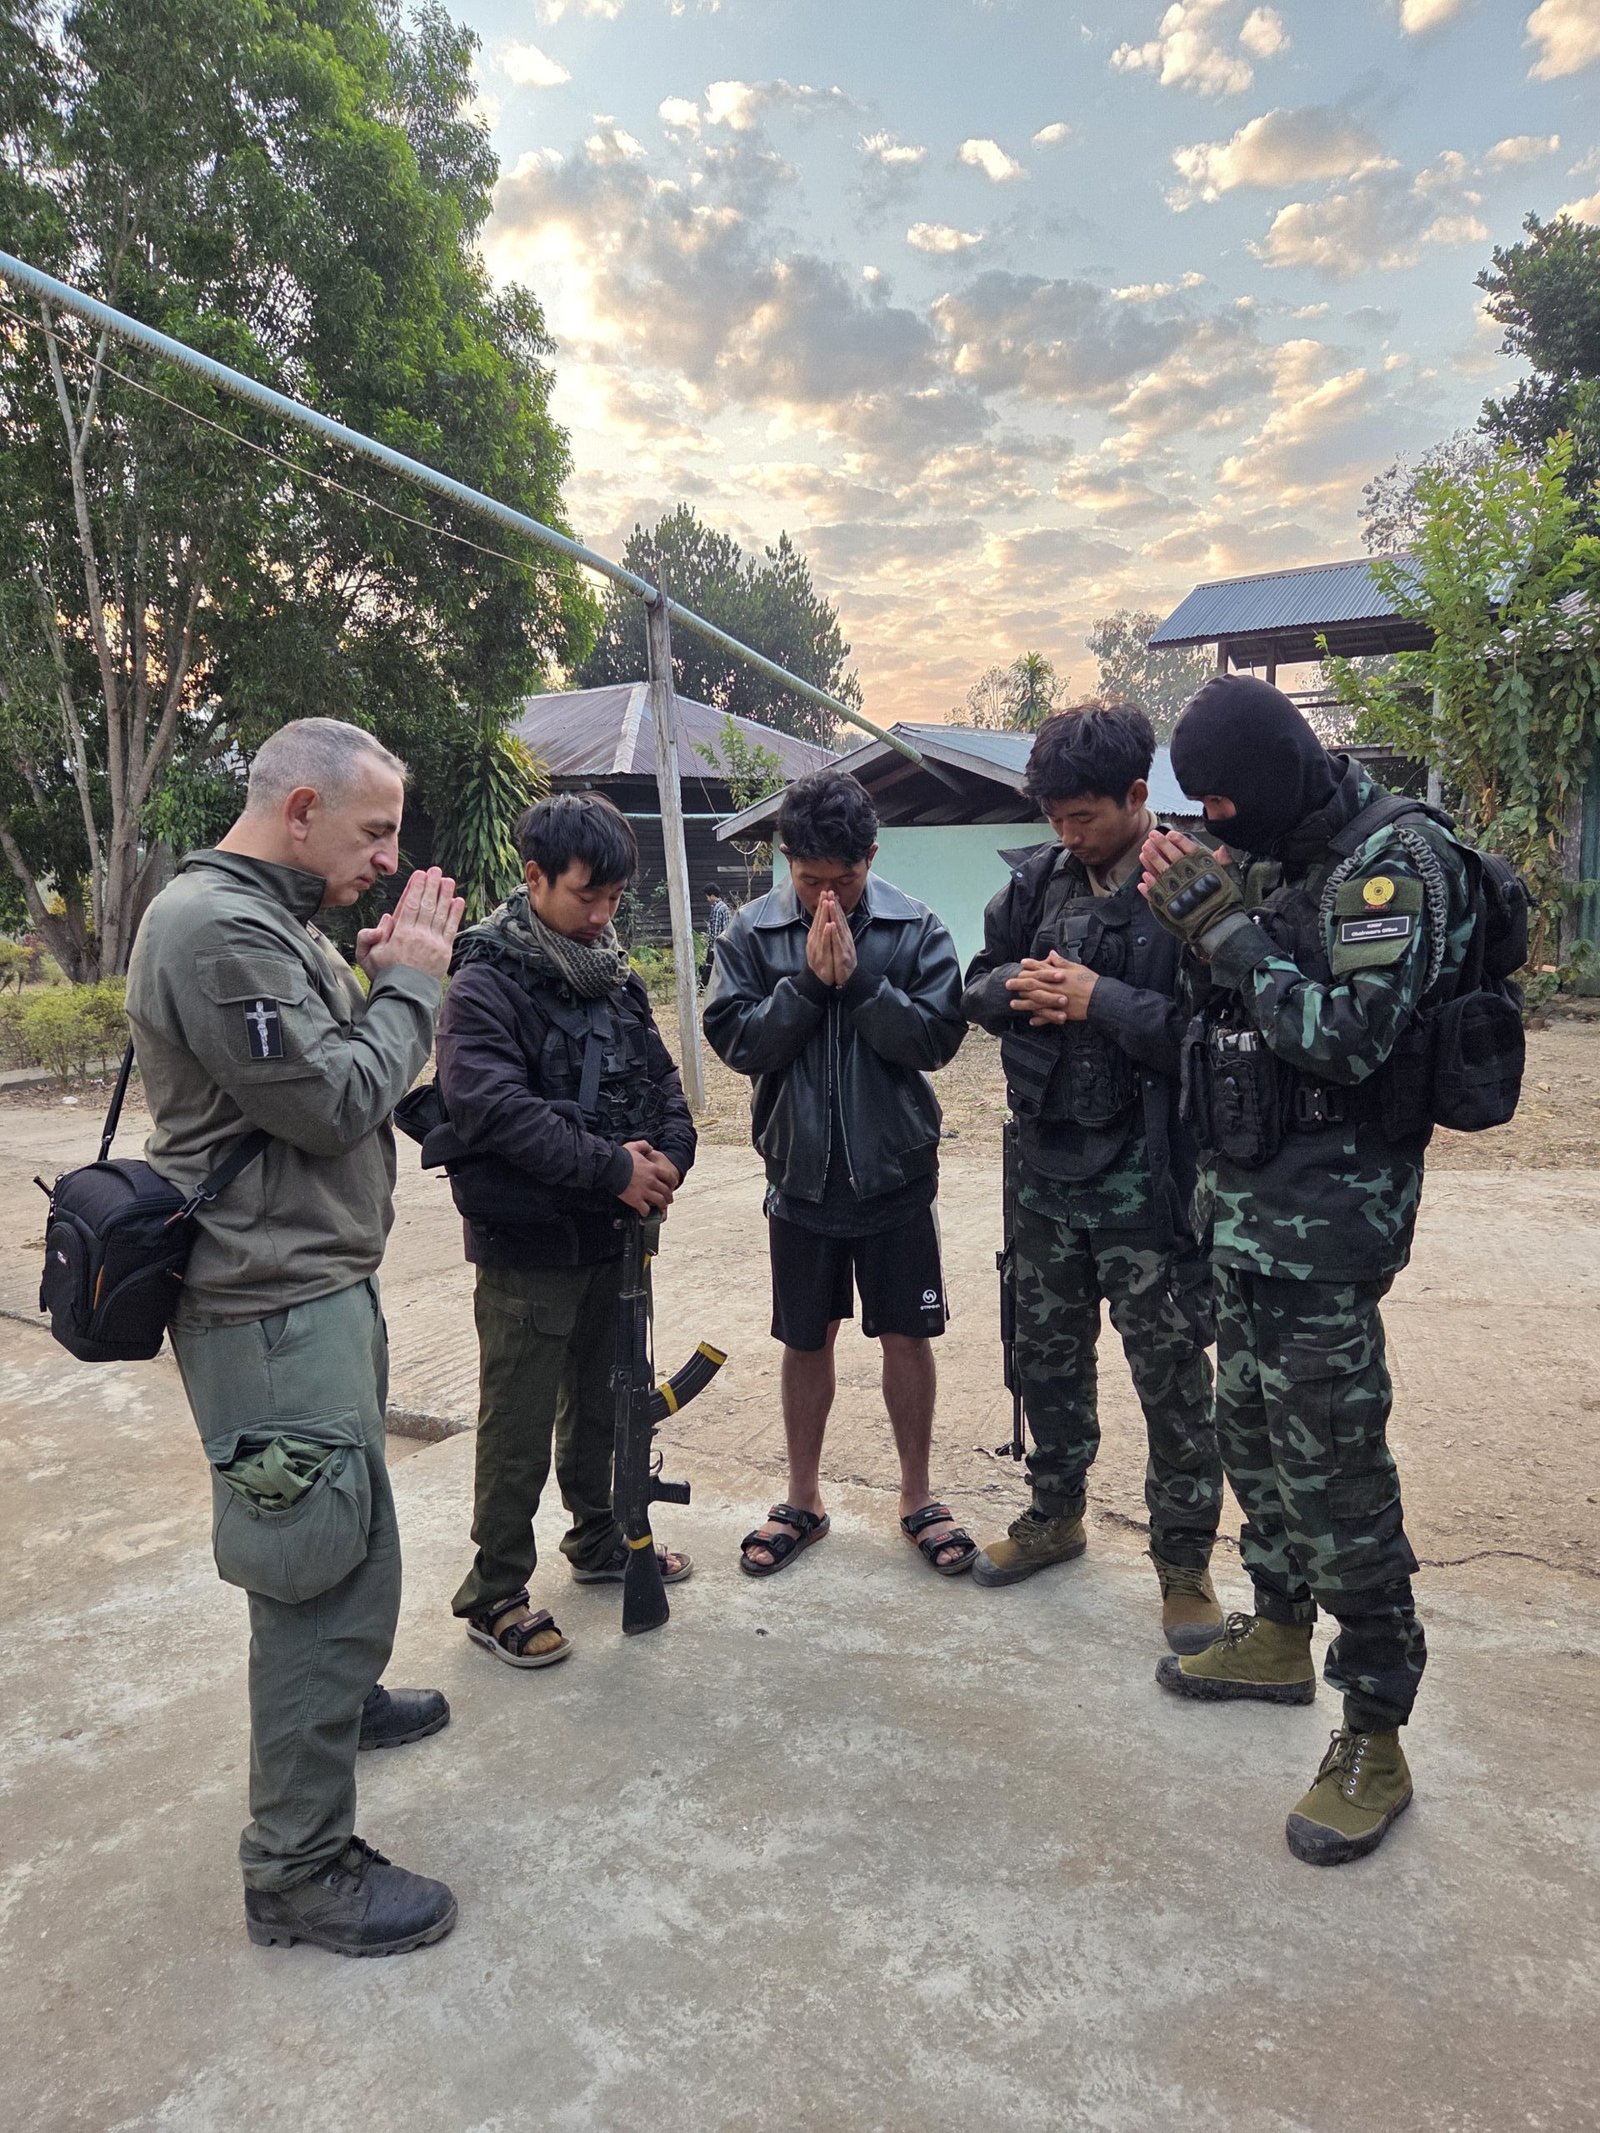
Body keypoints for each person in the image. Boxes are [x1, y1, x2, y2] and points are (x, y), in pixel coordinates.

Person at [124, 717, 465, 1957]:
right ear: (304, 808)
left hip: (310, 1288)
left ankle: (342, 1699)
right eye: (374, 831)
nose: (386, 856)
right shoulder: (217, 930)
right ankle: (298, 1868)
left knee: (344, 1526)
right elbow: (330, 1101)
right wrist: (413, 985)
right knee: (317, 1570)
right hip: (268, 1306)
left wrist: (376, 979)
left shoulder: (268, 919)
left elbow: (323, 1065)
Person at [1140, 673, 1476, 1867]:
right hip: (1242, 1211)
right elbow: (1218, 1023)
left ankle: (1374, 1729)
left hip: (1328, 1234)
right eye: (1207, 812)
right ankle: (1279, 1630)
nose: (1218, 826)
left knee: (1336, 1477)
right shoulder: (1279, 857)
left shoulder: (1394, 867)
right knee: (1249, 1438)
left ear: (1277, 780)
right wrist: (1208, 929)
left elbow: (1345, 1040)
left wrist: (1221, 933)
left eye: (1230, 804)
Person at [960, 705, 1223, 1651]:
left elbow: (1217, 1032)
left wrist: (1098, 999)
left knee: (1171, 1379)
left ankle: (1186, 1567)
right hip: (1044, 1173)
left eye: (1084, 817)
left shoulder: (1195, 886)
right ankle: (1054, 1513)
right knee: (1047, 1359)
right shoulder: (1035, 886)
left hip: (1150, 1179)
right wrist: (1016, 989)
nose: (1067, 835)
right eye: (1056, 817)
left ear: (1138, 797)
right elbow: (974, 984)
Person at [431, 793, 697, 1668]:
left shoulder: (612, 974)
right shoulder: (484, 983)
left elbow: (660, 1081)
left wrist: (667, 1160)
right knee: (516, 1422)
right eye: (587, 896)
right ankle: (495, 1588)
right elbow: (492, 1109)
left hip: (616, 1239)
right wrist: (613, 1168)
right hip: (531, 1246)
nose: (601, 915)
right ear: (534, 876)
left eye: (615, 898)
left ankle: (597, 1539)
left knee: (609, 1402)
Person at [702, 769, 974, 1578]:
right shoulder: (750, 934)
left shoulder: (914, 927)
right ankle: (803, 1496)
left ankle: (917, 1496)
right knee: (804, 1336)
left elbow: (935, 1040)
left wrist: (857, 982)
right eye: (811, 878)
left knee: (907, 1333)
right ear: (786, 858)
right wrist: (807, 989)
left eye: (845, 879)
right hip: (800, 1174)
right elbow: (739, 1042)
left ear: (871, 858)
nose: (829, 896)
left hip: (894, 1173)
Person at [700, 883, 733, 985]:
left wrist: (714, 945)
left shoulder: (718, 909)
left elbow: (719, 929)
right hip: (721, 944)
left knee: (710, 966)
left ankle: (702, 988)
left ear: (712, 896)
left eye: (707, 897)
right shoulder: (722, 907)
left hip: (717, 945)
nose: (707, 899)